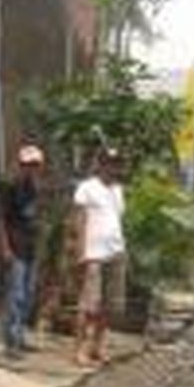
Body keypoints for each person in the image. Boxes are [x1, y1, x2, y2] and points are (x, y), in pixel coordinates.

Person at [73, 147, 128, 368]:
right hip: (94, 253)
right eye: (108, 163)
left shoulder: (117, 190)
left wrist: (122, 249)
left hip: (116, 251)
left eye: (115, 163)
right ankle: (78, 350)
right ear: (100, 164)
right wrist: (80, 251)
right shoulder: (87, 188)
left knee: (108, 306)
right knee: (88, 306)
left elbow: (116, 219)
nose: (112, 167)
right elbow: (79, 219)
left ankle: (97, 347)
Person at [0, 145, 45, 359]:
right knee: (16, 295)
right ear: (20, 165)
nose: (30, 168)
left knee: (28, 295)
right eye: (27, 165)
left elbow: (35, 218)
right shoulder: (10, 186)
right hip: (15, 247)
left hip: (30, 247)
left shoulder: (34, 187)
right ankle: (11, 342)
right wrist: (5, 247)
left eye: (34, 165)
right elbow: (0, 219)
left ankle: (20, 336)